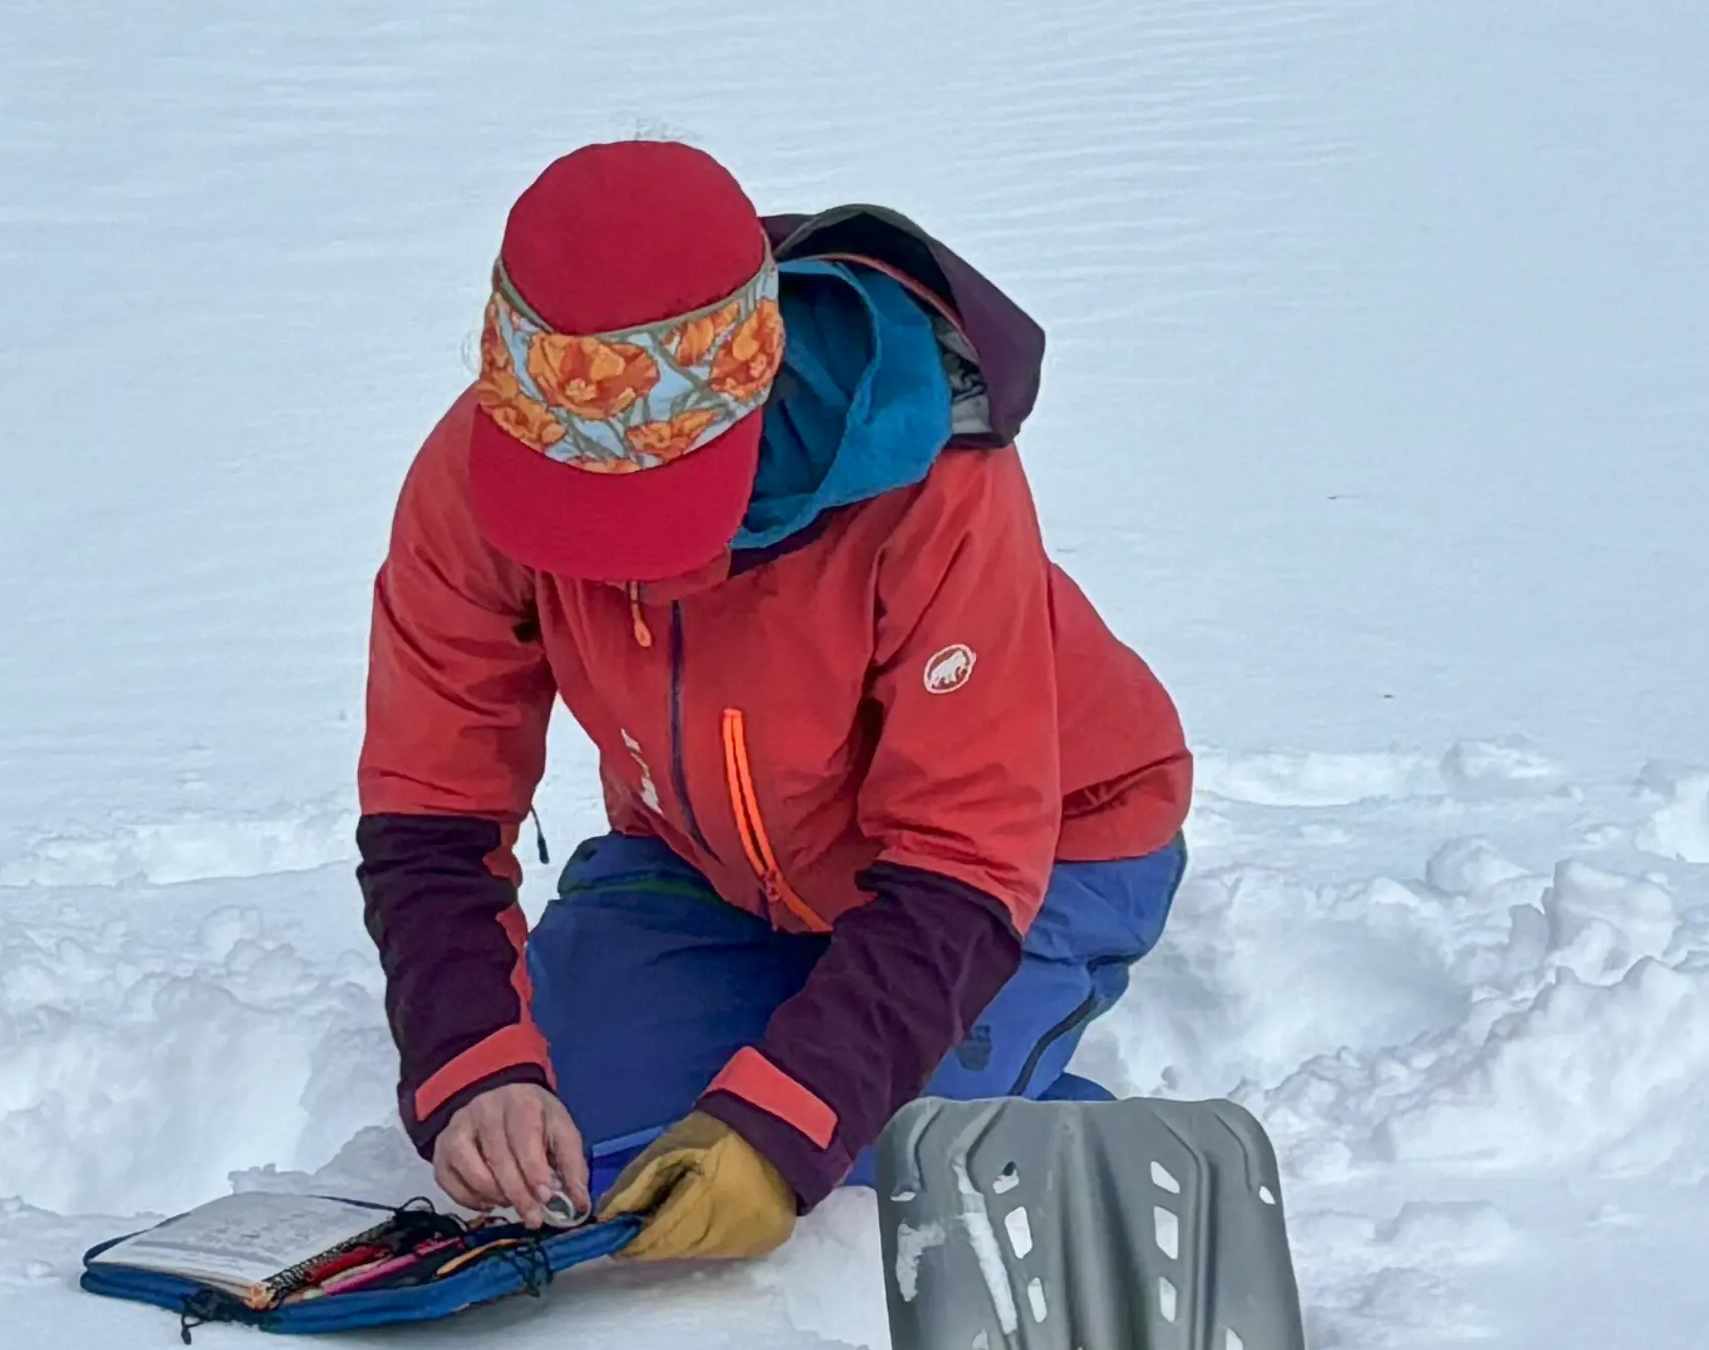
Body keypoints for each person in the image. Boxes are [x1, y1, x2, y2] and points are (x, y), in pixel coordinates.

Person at [356, 138, 1195, 1261]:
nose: (616, 570)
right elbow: (431, 805)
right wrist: (474, 1066)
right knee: (574, 1151)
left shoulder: (934, 482)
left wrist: (785, 1122)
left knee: (858, 1177)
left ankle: (1069, 1166)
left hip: (1042, 856)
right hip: (711, 866)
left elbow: (967, 853)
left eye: (648, 510)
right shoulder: (472, 474)